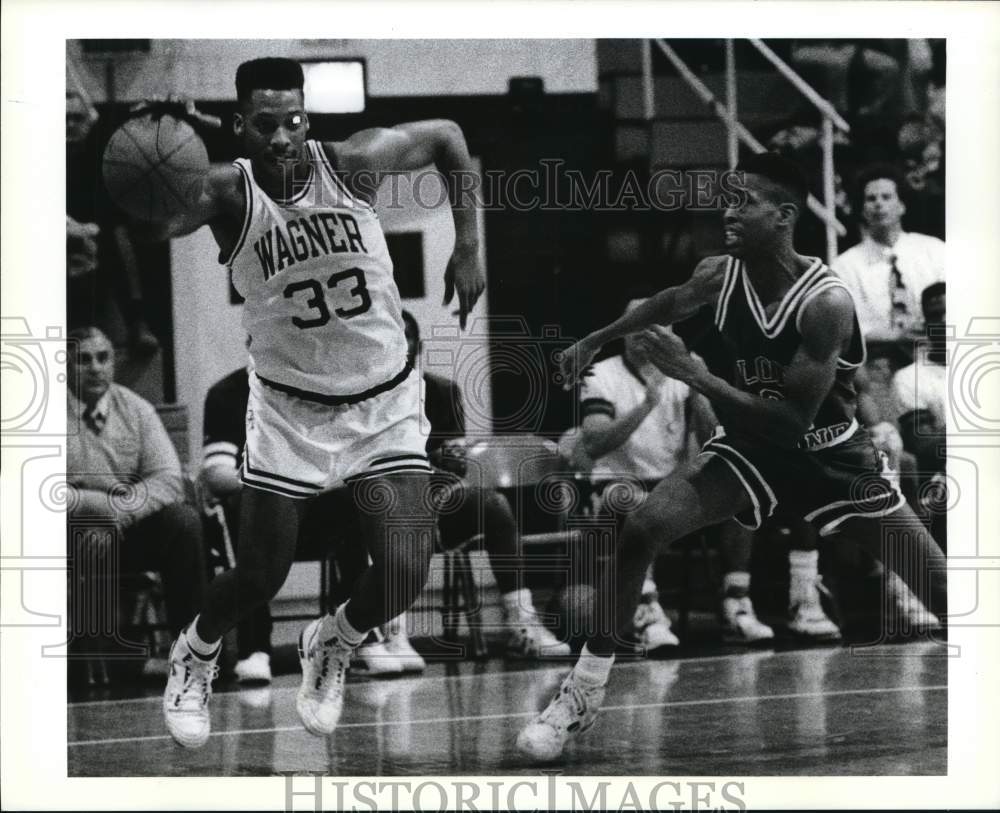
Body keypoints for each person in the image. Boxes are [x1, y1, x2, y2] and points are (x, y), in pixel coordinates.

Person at [517, 152, 947, 761]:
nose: (729, 210)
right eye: (728, 198)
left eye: (744, 200)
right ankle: (581, 692)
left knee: (950, 597)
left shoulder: (826, 301)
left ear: (785, 216)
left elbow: (792, 419)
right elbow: (666, 303)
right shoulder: (720, 274)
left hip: (831, 460)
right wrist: (594, 339)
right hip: (752, 451)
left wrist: (694, 374)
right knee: (642, 528)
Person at [143, 58, 483, 748]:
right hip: (291, 408)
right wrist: (141, 159)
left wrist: (470, 243)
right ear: (240, 126)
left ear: (307, 120)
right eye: (264, 124)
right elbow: (156, 224)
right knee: (260, 575)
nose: (281, 136)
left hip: (384, 398)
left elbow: (448, 135)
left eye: (293, 120)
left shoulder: (352, 164)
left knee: (406, 569)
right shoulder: (224, 194)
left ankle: (333, 639)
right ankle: (197, 651)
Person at [571, 299, 773, 647]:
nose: (642, 333)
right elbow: (594, 444)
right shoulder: (601, 374)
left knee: (739, 495)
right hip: (613, 486)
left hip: (669, 483)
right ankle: (646, 611)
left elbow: (714, 439)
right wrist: (646, 405)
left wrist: (700, 391)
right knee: (630, 497)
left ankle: (736, 605)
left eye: (654, 325)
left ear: (670, 333)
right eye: (634, 324)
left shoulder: (681, 370)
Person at [200, 359, 418, 682]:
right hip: (259, 507)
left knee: (355, 497)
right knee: (243, 504)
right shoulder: (226, 393)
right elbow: (216, 475)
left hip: (318, 508)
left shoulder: (324, 387)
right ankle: (254, 646)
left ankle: (358, 634)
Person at [400, 310, 570, 658]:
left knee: (492, 504)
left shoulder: (441, 391)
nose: (398, 346)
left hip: (430, 496)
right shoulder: (359, 394)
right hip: (380, 499)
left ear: (418, 346)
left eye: (405, 337)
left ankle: (521, 622)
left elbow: (453, 469)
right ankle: (387, 630)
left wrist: (449, 459)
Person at [66, 326, 207, 652]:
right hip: (66, 536)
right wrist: (101, 511)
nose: (95, 367)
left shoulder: (136, 409)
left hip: (126, 529)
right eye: (83, 360)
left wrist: (121, 515)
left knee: (183, 523)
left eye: (103, 358)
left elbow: (169, 479)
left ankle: (191, 654)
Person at [831, 164, 945, 343]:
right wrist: (896, 337)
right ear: (862, 210)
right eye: (871, 198)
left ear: (901, 206)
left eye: (886, 197)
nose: (878, 203)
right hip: (878, 360)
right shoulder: (845, 267)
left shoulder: (934, 250)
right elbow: (845, 329)